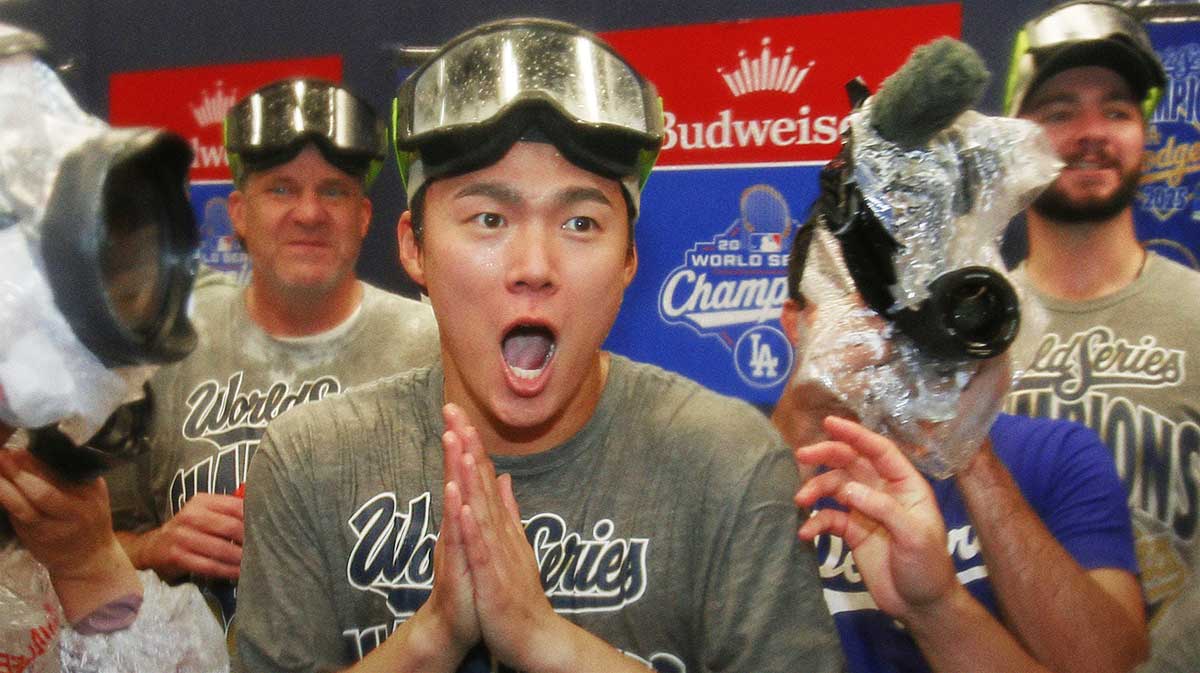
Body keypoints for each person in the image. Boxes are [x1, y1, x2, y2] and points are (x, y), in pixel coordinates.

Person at [235, 18, 841, 673]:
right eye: (488, 219)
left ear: (629, 259)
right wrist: (432, 637)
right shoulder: (308, 464)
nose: (533, 264)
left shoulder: (731, 465)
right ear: (415, 247)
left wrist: (543, 639)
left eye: (580, 222)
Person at [772, 42, 1147, 672]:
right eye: (863, 296)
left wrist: (967, 449)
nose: (898, 322)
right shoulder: (726, 455)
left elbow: (1110, 663)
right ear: (795, 324)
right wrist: (805, 415)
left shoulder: (1057, 457)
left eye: (924, 289)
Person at [106, 78, 440, 632]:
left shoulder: (433, 346)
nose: (308, 213)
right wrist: (151, 547)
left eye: (333, 191)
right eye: (281, 189)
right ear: (238, 214)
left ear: (362, 218)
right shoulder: (165, 351)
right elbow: (73, 551)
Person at [1000, 1, 1200, 657]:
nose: (1093, 131)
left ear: (1144, 134)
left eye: (1117, 110)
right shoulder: (967, 331)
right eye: (1059, 112)